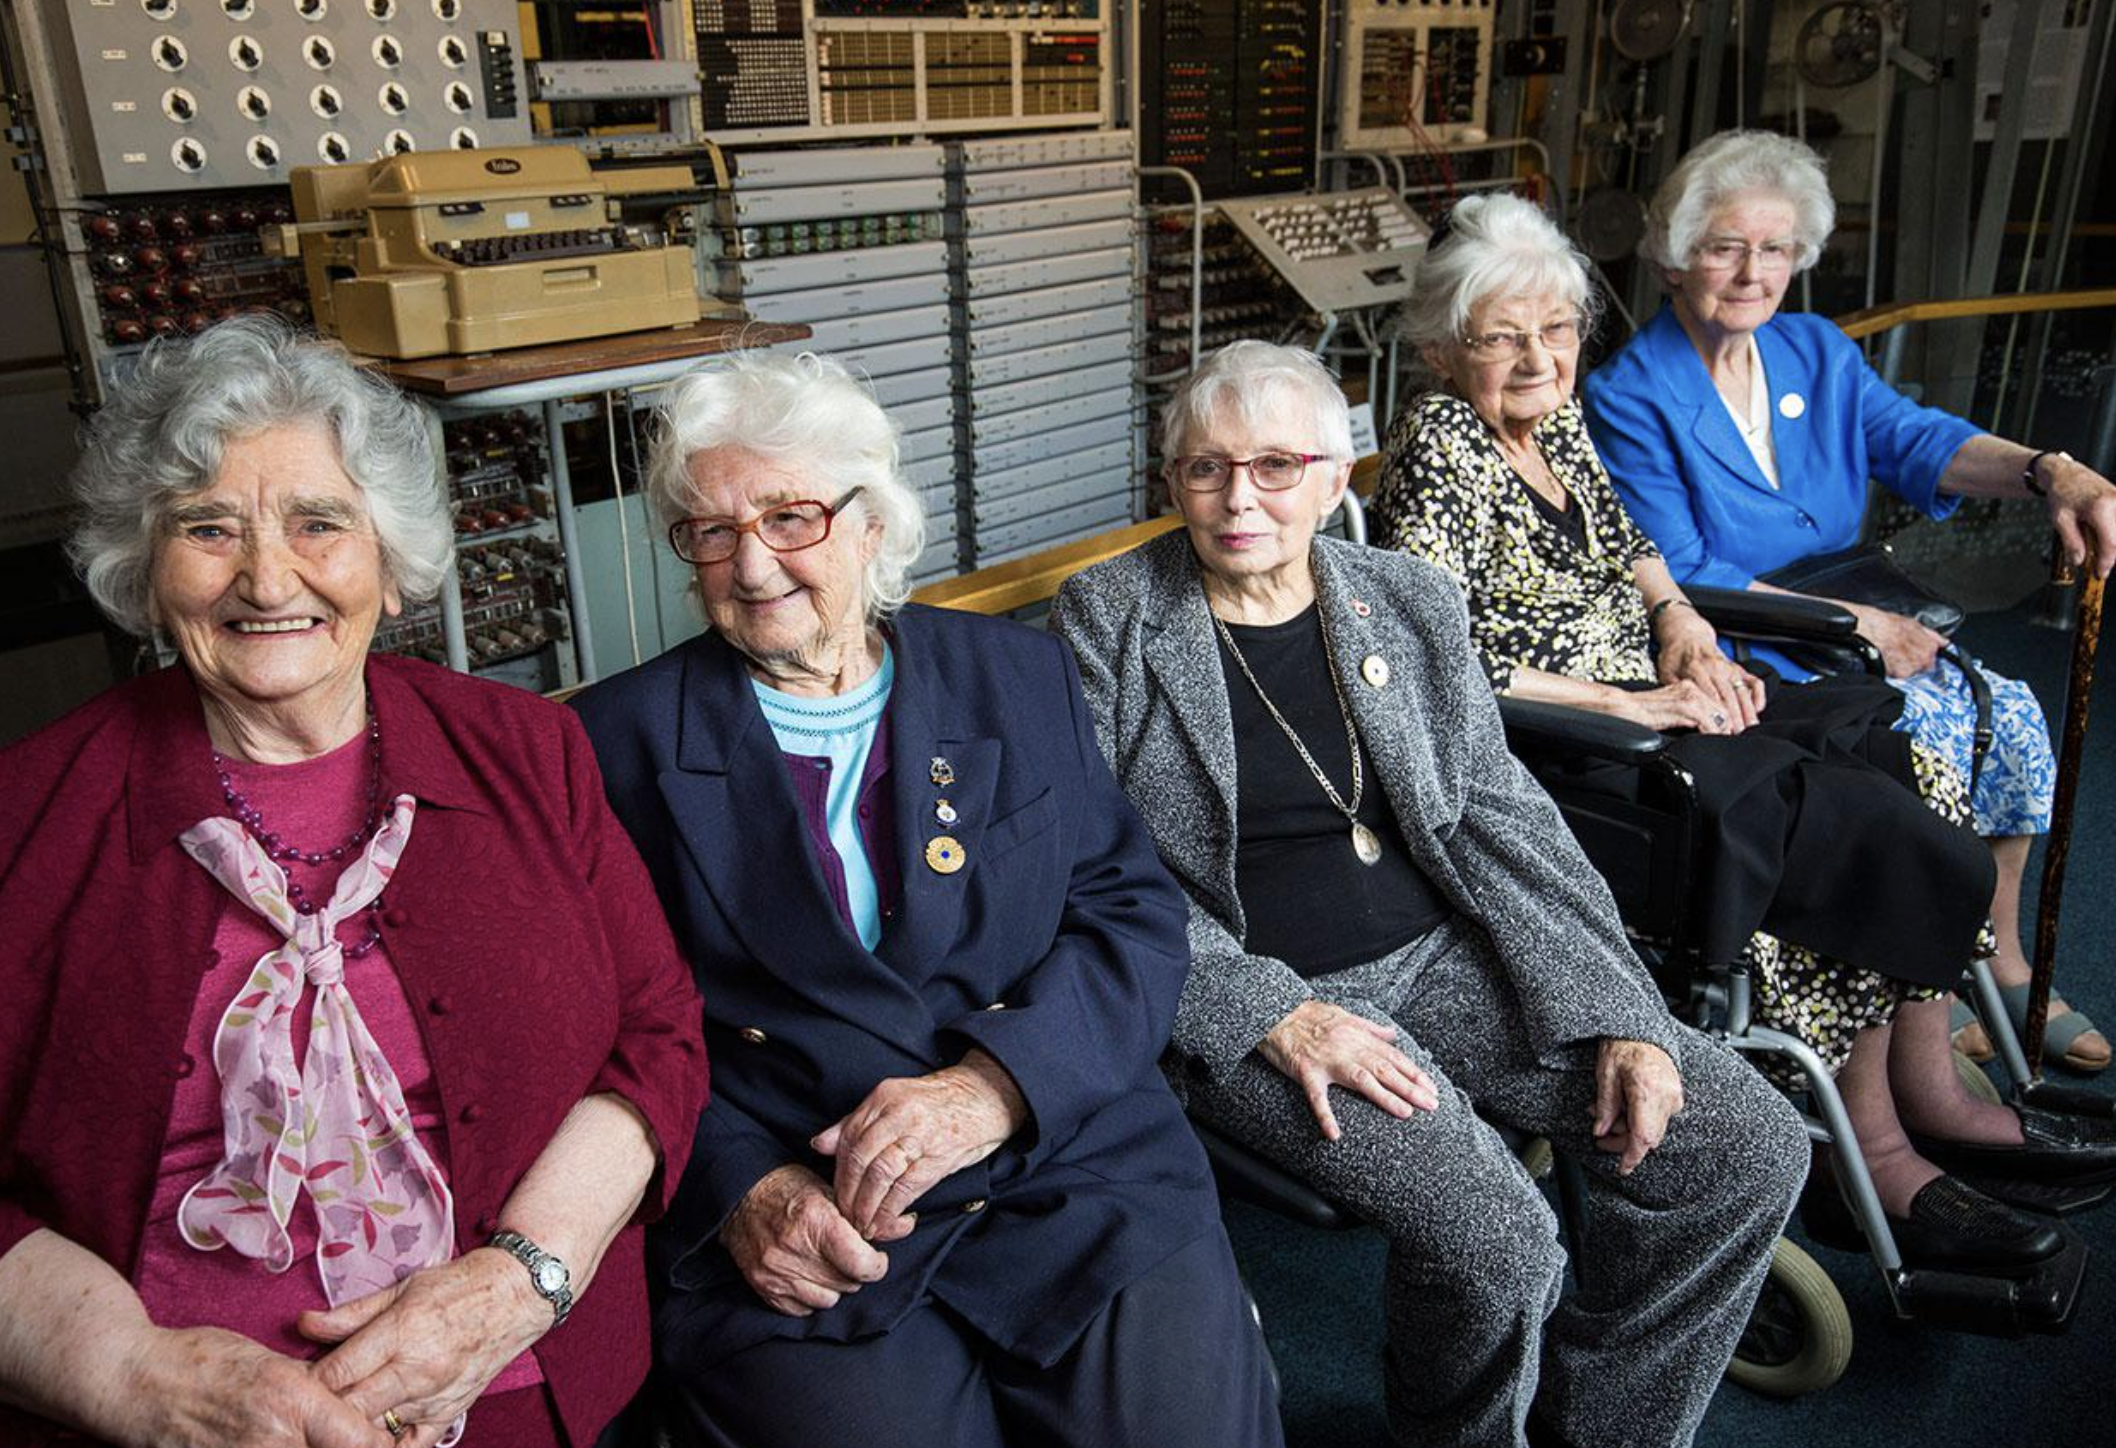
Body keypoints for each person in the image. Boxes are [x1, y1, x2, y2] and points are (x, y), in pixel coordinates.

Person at [1048, 337, 1808, 1448]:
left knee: (1747, 1141)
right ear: (1171, 482)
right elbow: (1089, 863)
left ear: (1332, 473)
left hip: (1444, 951)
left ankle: (1603, 1422)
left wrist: (1623, 1011)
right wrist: (1268, 1011)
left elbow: (1502, 816)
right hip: (1267, 993)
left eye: (1272, 465)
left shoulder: (1405, 597)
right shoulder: (1110, 615)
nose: (1236, 496)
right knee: (1499, 1241)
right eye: (1204, 468)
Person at [1373, 191, 2116, 1276]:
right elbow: (1444, 663)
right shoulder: (1442, 442)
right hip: (1568, 748)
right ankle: (1874, 1149)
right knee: (1833, 822)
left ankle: (1931, 1093)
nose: (1536, 357)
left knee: (1890, 751)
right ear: (1444, 350)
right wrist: (1635, 702)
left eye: (1556, 329)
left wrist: (1681, 628)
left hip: (1652, 698)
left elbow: (1632, 544)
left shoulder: (1557, 422)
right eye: (1501, 336)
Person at [0, 317, 707, 1448]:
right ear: (145, 559)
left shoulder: (526, 750)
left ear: (389, 548)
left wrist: (520, 1283)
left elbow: (659, 1033)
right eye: (208, 528)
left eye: (318, 521)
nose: (266, 576)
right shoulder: (29, 814)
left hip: (515, 1388)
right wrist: (127, 1374)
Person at [572, 350, 1280, 1448]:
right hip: (815, 1216)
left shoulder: (1013, 675)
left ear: (869, 521)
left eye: (790, 517)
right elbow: (599, 1026)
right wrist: (740, 1187)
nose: (751, 564)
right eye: (711, 532)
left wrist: (998, 1084)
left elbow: (1128, 915)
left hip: (1062, 1160)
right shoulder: (611, 743)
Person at [1582, 128, 2116, 1075]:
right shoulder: (1631, 392)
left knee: (2014, 716)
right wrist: (1863, 627)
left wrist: (2049, 470)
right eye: (1726, 246)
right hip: (1754, 636)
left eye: (1777, 248)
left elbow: (1920, 440)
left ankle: (2004, 965)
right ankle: (1933, 990)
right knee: (1932, 742)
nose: (1754, 272)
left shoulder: (1814, 352)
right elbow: (1674, 562)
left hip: (1861, 607)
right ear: (1674, 257)